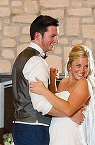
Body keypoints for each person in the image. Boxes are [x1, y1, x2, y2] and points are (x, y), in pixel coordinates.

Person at [29, 44, 95, 145]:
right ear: (70, 65)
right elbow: (56, 102)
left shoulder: (83, 83)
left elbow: (68, 109)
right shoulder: (64, 82)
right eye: (78, 65)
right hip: (55, 132)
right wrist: (53, 81)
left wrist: (43, 90)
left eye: (86, 66)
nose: (82, 70)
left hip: (69, 135)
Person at [12, 15, 61, 145]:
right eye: (52, 36)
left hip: (24, 127)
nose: (56, 40)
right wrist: (69, 114)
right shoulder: (36, 61)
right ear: (38, 36)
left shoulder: (23, 56)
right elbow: (40, 105)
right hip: (34, 128)